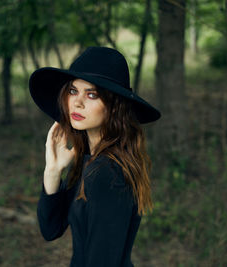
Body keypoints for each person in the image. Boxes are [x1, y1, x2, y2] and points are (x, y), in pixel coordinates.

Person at [29, 47, 161, 267]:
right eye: (73, 91)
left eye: (92, 94)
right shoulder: (89, 161)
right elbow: (51, 229)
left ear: (114, 107)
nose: (78, 102)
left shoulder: (107, 174)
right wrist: (52, 171)